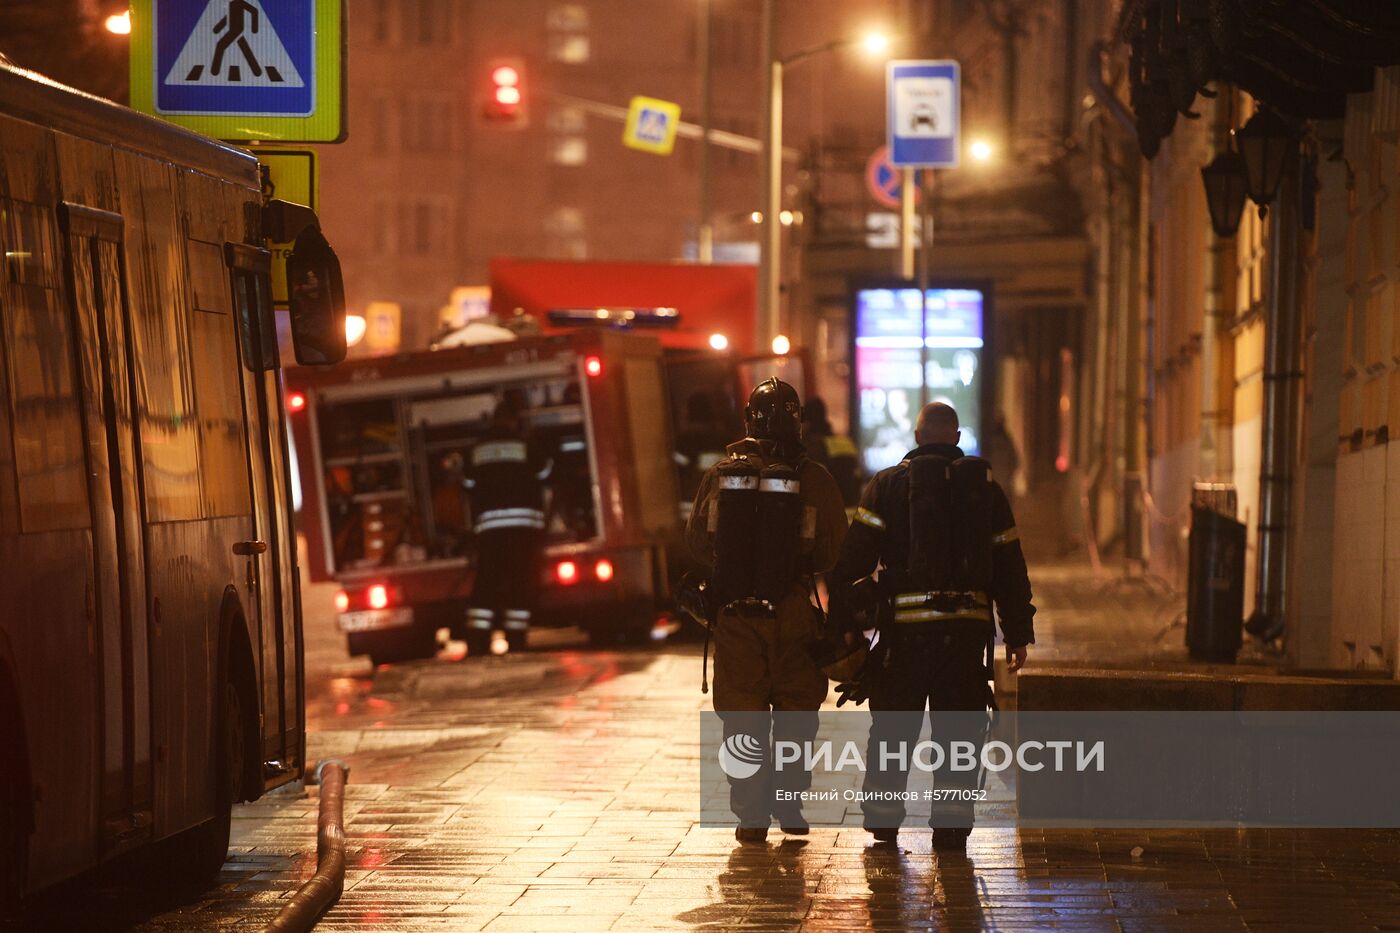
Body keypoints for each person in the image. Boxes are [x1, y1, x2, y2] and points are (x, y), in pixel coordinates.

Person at [828, 402, 1034, 852]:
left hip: (902, 638)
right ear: (956, 438)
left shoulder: (887, 485)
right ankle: (952, 829)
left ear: (918, 437)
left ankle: (883, 823)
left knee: (893, 731)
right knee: (959, 735)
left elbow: (850, 564)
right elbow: (1009, 565)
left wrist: (845, 626)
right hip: (964, 638)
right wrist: (1017, 632)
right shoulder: (986, 491)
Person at [686, 378, 848, 844]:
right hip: (793, 608)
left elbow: (697, 543)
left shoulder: (721, 473)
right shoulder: (814, 476)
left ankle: (750, 815)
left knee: (742, 717)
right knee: (796, 713)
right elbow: (833, 549)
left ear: (747, 421)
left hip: (736, 615)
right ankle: (790, 804)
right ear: (797, 420)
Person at [463, 397, 551, 655]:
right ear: (515, 421)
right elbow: (545, 472)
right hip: (523, 527)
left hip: (490, 529)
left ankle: (479, 641)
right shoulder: (525, 445)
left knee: (487, 582)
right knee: (520, 582)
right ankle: (516, 639)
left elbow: (467, 484)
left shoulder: (478, 449)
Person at [801, 396, 863, 513]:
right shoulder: (846, 443)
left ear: (806, 421)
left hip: (833, 517)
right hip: (854, 514)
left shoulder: (812, 448)